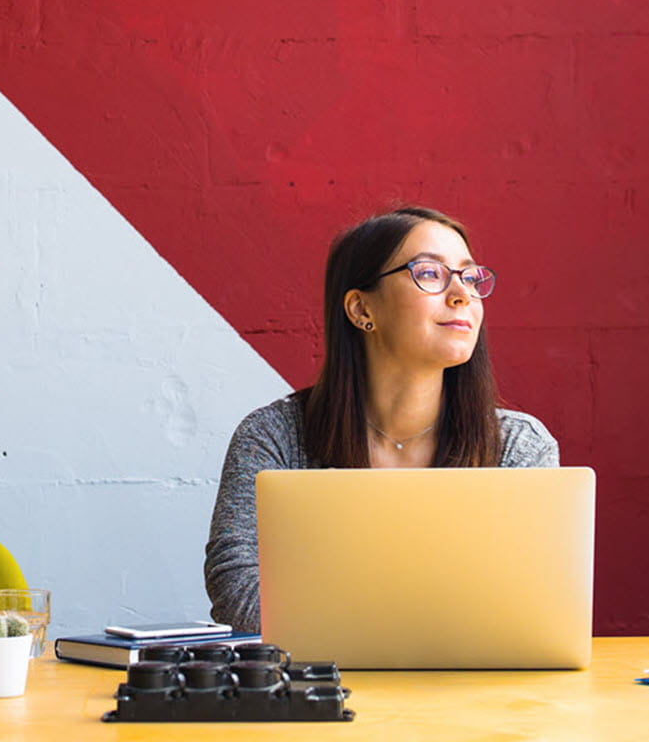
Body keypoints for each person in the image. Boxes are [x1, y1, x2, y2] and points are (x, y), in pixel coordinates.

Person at [204, 206, 559, 633]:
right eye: (430, 273)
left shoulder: (519, 447)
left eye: (469, 276)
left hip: (472, 693)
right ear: (360, 309)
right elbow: (237, 593)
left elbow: (531, 605)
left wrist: (336, 613)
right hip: (320, 689)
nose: (462, 294)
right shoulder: (273, 438)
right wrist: (431, 618)